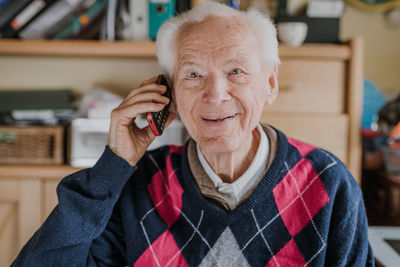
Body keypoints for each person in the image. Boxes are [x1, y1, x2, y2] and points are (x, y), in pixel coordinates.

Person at [12, 1, 374, 266]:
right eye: (193, 75)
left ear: (270, 84)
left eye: (236, 71)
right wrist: (115, 165)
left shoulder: (329, 184)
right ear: (168, 94)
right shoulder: (138, 187)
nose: (215, 94)